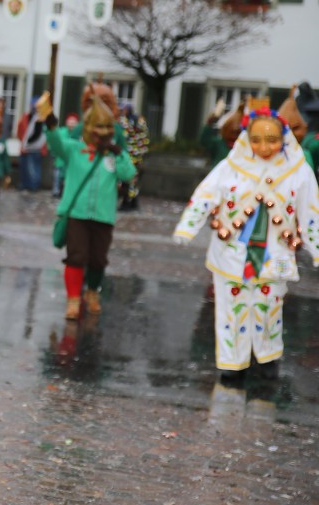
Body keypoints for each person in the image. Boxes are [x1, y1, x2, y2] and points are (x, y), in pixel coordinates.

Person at [173, 103, 319, 383]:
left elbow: (311, 209)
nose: (264, 146)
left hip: (276, 252)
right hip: (231, 252)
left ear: (284, 138)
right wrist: (187, 226)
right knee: (230, 307)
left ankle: (267, 357)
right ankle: (232, 362)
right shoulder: (230, 166)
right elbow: (204, 195)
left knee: (269, 306)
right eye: (257, 139)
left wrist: (316, 246)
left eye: (272, 139)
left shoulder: (298, 170)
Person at [43, 87, 136, 320]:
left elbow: (128, 174)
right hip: (77, 214)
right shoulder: (75, 150)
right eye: (98, 129)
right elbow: (56, 144)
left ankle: (92, 292)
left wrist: (119, 153)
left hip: (103, 215)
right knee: (75, 256)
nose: (102, 134)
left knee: (97, 259)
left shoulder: (113, 155)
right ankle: (73, 299)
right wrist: (51, 124)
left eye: (106, 130)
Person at [119, 103, 149, 210]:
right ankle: (133, 202)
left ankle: (127, 202)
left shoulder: (126, 123)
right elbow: (144, 139)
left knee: (128, 181)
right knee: (134, 180)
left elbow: (124, 136)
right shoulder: (141, 122)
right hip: (138, 156)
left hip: (129, 156)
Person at [199, 98, 243, 167]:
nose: (235, 131)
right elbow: (204, 140)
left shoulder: (243, 147)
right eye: (232, 131)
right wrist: (210, 123)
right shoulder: (219, 144)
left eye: (238, 131)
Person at [18, 97, 46, 191]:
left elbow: (39, 135)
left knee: (34, 169)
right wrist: (23, 144)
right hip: (26, 148)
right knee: (25, 168)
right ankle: (25, 184)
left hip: (36, 149)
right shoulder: (26, 117)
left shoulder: (41, 118)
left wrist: (27, 144)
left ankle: (33, 186)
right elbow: (20, 130)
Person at [52, 113, 79, 197]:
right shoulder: (61, 132)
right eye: (70, 122)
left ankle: (66, 193)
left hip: (72, 161)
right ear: (66, 122)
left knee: (68, 178)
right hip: (60, 160)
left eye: (73, 122)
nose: (71, 124)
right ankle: (56, 191)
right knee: (57, 177)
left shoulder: (78, 134)